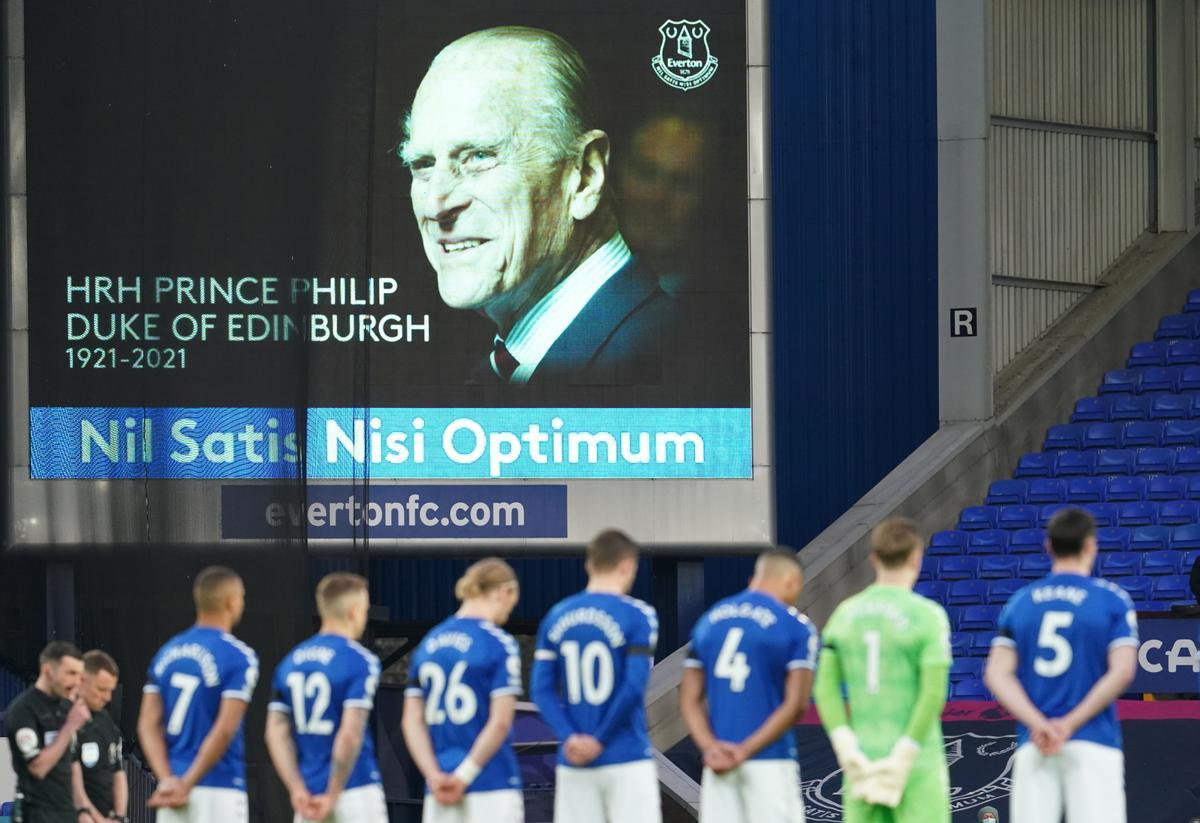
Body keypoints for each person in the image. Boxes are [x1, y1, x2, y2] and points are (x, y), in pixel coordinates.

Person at [399, 27, 674, 388]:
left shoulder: (665, 361)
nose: (436, 205)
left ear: (585, 175)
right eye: (423, 164)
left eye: (478, 157)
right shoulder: (502, 374)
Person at [984, 508, 1138, 823]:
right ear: (1091, 546)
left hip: (1036, 742)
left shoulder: (1021, 601)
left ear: (1048, 546)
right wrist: (1068, 724)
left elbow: (997, 674)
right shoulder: (1112, 599)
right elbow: (1122, 671)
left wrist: (1040, 724)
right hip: (1093, 739)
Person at [812, 517, 952, 823]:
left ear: (874, 559)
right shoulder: (928, 616)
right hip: (916, 761)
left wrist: (847, 749)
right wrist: (905, 753)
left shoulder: (844, 614)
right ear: (916, 558)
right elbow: (934, 692)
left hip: (862, 759)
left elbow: (824, 689)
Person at [530, 530, 660, 823]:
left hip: (574, 759)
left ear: (589, 565)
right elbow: (634, 685)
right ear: (628, 564)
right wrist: (599, 739)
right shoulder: (638, 614)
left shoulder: (557, 615)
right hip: (625, 754)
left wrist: (570, 737)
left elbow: (541, 690)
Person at [679, 548, 818, 823]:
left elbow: (689, 698)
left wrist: (711, 748)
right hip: (770, 762)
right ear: (792, 582)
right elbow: (796, 705)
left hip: (718, 764)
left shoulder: (709, 621)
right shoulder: (795, 626)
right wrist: (743, 751)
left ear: (754, 578)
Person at [401, 559, 524, 823]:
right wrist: (464, 776)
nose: (510, 610)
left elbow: (411, 720)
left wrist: (434, 776)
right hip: (491, 785)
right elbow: (500, 722)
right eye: (513, 600)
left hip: (439, 788)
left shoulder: (428, 644)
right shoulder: (498, 643)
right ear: (503, 591)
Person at [137, 566, 259, 822]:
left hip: (172, 789)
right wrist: (187, 783)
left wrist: (169, 781)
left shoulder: (165, 654)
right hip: (218, 787)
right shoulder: (238, 655)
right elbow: (225, 728)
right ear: (231, 601)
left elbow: (147, 725)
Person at [265, 573, 385, 823]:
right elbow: (350, 734)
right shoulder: (359, 660)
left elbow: (275, 733)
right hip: (354, 791)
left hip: (308, 796)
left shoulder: (290, 663)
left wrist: (297, 788)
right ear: (354, 611)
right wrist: (332, 794)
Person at [4, 642, 90, 823]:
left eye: (80, 675)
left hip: (66, 813)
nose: (76, 682)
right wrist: (69, 727)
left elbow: (72, 766)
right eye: (71, 673)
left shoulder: (67, 708)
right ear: (48, 671)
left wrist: (83, 809)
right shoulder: (23, 709)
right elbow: (38, 768)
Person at [71, 651, 127, 823]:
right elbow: (73, 783)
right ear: (82, 681)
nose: (108, 697)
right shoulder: (65, 722)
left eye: (111, 690)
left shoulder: (106, 721)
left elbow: (118, 773)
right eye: (102, 689)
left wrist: (119, 816)